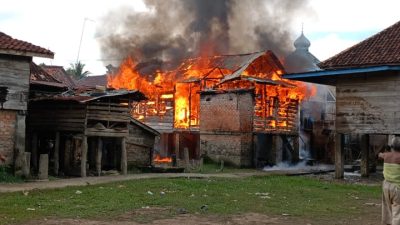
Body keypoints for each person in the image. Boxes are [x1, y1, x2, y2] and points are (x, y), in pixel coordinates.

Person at [379, 136, 400, 225]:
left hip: (386, 185)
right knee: (397, 210)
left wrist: (384, 152)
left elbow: (379, 155)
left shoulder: (386, 155)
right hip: (397, 187)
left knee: (387, 209)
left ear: (392, 146)